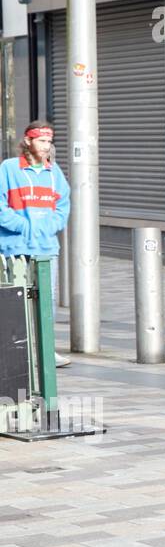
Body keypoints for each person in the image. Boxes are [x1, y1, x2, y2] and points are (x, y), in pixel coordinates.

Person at [0, 121, 71, 366]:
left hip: (46, 249)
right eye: (41, 140)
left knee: (45, 303)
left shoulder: (55, 173)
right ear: (28, 140)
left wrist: (45, 228)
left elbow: (62, 209)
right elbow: (1, 208)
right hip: (15, 248)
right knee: (17, 303)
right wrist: (26, 227)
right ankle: (18, 353)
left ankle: (45, 351)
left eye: (49, 141)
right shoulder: (9, 169)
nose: (46, 145)